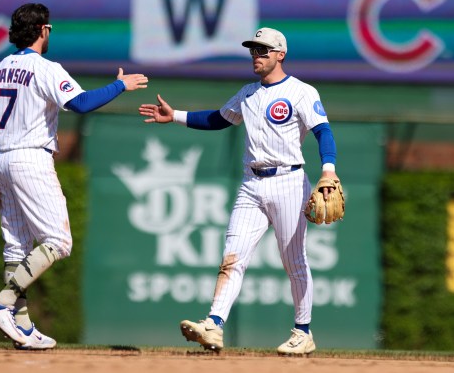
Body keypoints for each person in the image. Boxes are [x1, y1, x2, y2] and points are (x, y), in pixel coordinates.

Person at [138, 27, 338, 355]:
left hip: (289, 181)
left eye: (263, 51)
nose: (256, 56)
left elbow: (323, 131)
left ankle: (303, 331)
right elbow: (219, 119)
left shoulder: (302, 92)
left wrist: (328, 169)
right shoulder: (248, 93)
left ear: (280, 54)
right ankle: (214, 325)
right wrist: (175, 116)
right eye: (253, 51)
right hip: (251, 184)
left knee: (294, 261)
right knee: (232, 257)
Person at [0, 3, 148, 350]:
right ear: (43, 30)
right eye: (49, 29)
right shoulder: (45, 68)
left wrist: (9, 145)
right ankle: (2, 302)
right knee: (59, 241)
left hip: (3, 160)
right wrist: (119, 86)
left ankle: (21, 327)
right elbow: (81, 103)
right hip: (30, 160)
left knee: (17, 247)